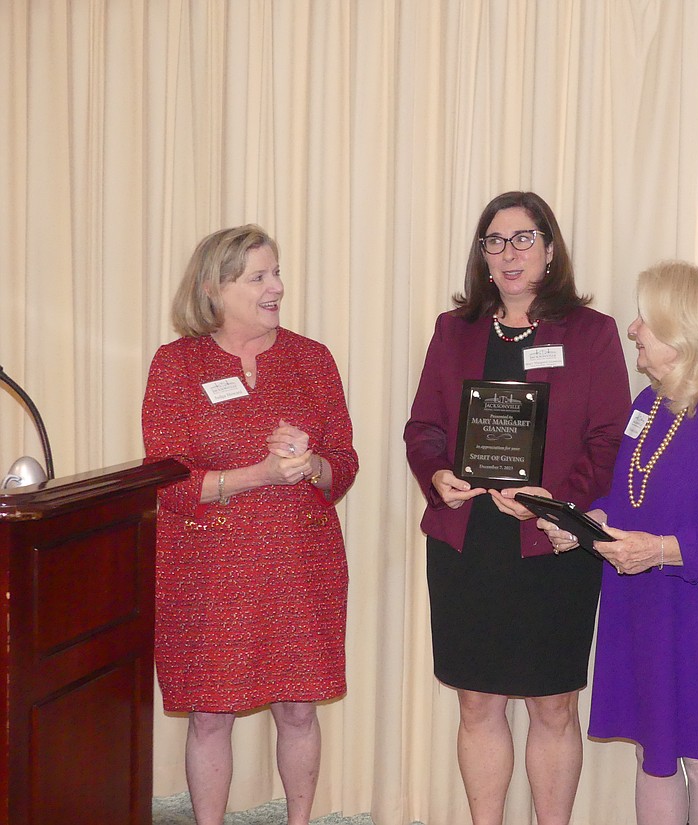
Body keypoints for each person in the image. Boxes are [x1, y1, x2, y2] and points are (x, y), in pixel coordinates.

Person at [403, 191, 631, 825]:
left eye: (523, 239)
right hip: (467, 541)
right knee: (476, 702)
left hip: (550, 547)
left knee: (552, 705)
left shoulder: (591, 332)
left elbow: (609, 436)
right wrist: (438, 473)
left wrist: (557, 504)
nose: (509, 254)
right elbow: (422, 426)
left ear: (550, 248)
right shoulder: (455, 330)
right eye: (495, 241)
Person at [142, 225, 359, 825]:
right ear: (214, 286)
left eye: (276, 272)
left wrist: (313, 463)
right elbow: (166, 481)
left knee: (297, 709)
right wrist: (259, 473)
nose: (277, 287)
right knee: (211, 713)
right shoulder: (177, 365)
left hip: (300, 562)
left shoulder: (311, 359)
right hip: (210, 570)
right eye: (258, 277)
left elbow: (344, 462)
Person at [539, 262, 698, 825]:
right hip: (642, 604)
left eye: (646, 318)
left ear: (683, 328)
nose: (633, 328)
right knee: (653, 756)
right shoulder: (648, 404)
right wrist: (583, 523)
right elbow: (626, 499)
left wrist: (659, 550)